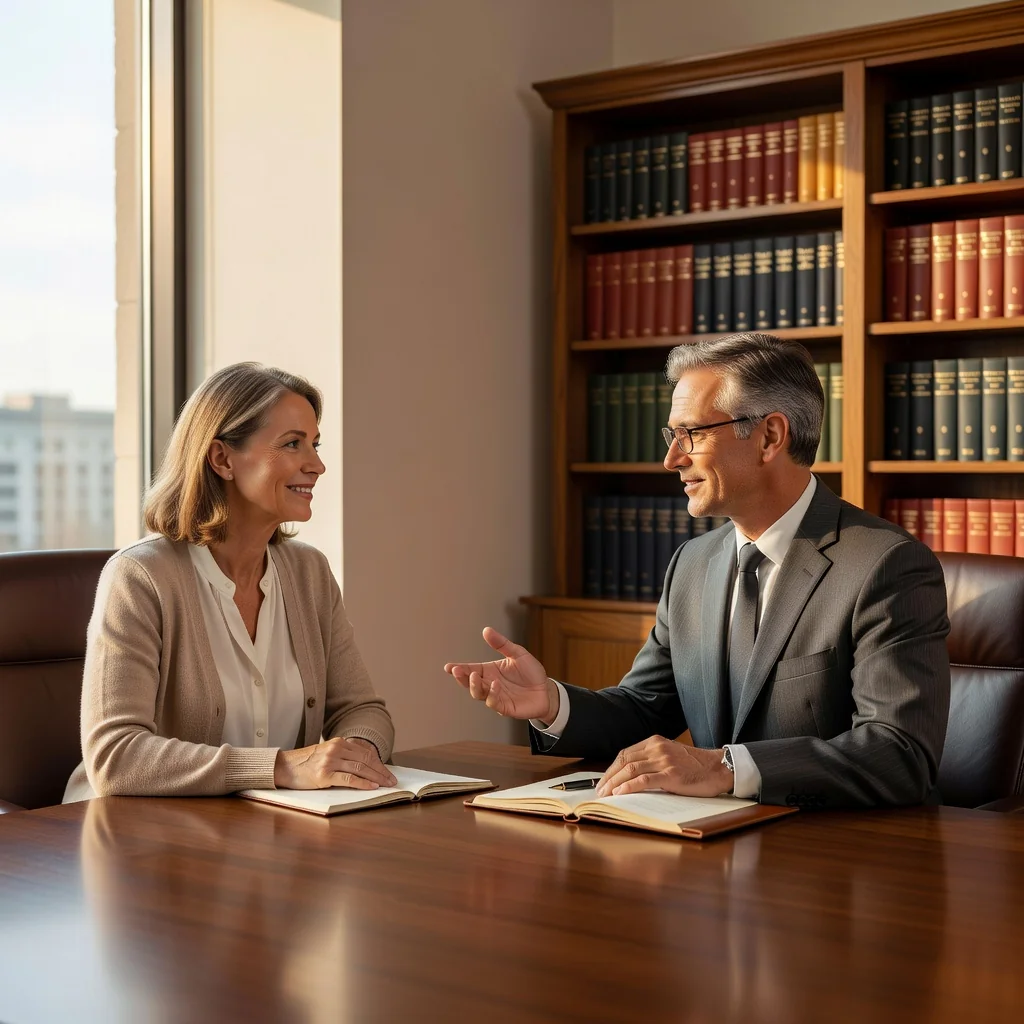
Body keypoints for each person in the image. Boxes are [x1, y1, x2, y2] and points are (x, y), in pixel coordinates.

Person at [445, 333, 951, 809]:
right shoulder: (692, 564)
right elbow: (645, 709)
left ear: (770, 435)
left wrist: (725, 768)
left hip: (831, 866)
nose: (670, 459)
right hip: (706, 857)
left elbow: (900, 753)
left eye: (690, 434)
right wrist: (551, 703)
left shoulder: (885, 565)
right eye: (672, 435)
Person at [64, 362, 395, 801]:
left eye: (314, 444)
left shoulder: (308, 572)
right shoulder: (141, 576)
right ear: (222, 458)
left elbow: (363, 710)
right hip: (134, 841)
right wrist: (281, 767)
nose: (317, 465)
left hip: (260, 836)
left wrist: (352, 756)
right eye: (293, 444)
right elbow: (115, 756)